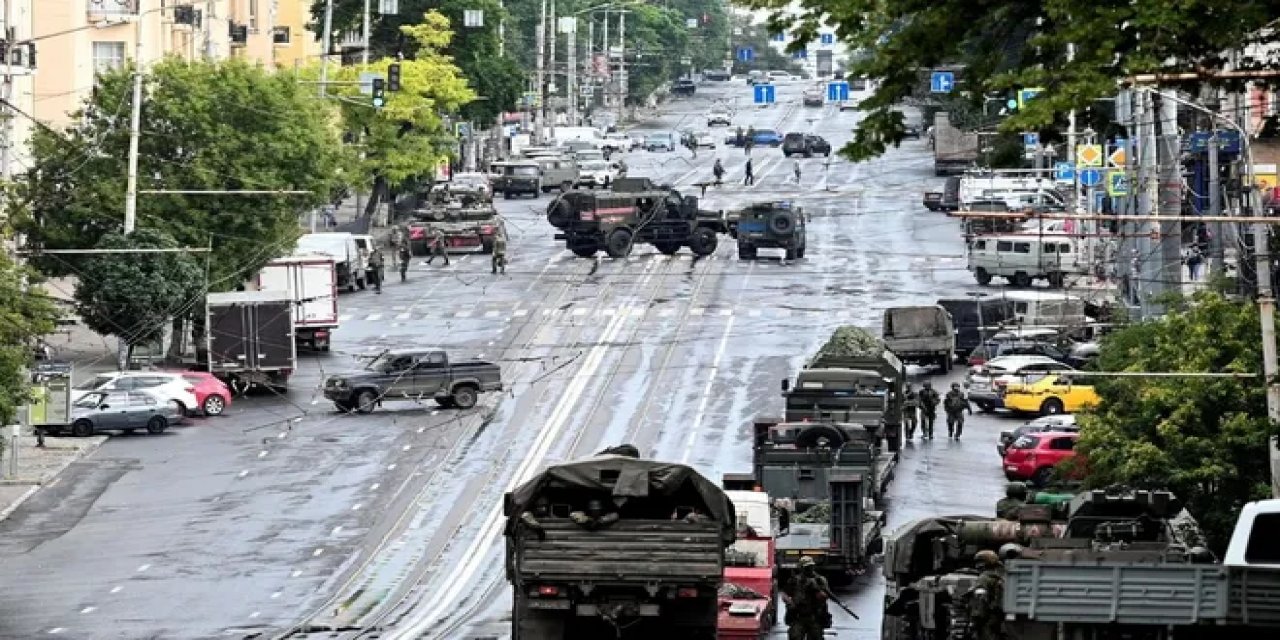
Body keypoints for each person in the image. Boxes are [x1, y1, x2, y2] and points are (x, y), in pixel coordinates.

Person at [782, 556, 831, 640]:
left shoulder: (819, 580)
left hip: (814, 616)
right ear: (801, 568)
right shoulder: (795, 580)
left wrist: (816, 589)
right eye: (807, 567)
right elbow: (784, 594)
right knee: (795, 636)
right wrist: (790, 603)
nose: (809, 569)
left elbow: (825, 596)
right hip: (798, 616)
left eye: (811, 566)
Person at [965, 550, 1006, 640]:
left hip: (986, 619)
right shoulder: (1000, 577)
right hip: (998, 618)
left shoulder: (983, 578)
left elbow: (980, 600)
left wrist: (974, 621)